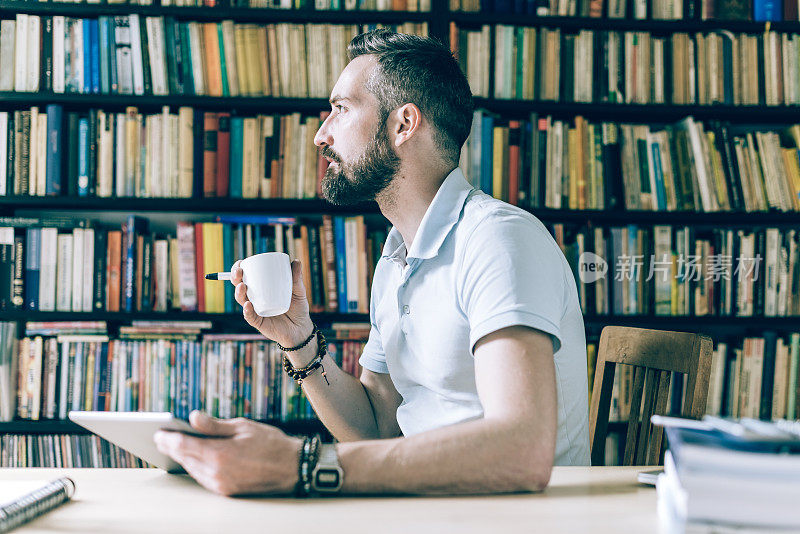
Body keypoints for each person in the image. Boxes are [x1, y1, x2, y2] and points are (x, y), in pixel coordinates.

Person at [155, 28, 590, 497]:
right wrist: (298, 338)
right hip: (430, 511)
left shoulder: (498, 240)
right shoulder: (396, 258)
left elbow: (522, 451)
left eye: (340, 109)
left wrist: (303, 465)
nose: (322, 135)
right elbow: (377, 426)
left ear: (404, 125)